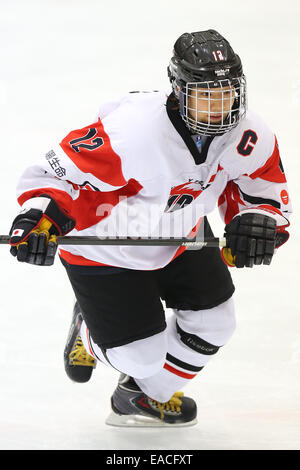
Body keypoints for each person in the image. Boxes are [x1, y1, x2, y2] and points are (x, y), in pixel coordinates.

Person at [9, 29, 291, 427]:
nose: (220, 106)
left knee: (216, 323)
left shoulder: (249, 134)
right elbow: (57, 175)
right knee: (138, 355)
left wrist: (256, 223)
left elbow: (263, 190)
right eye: (207, 95)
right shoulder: (133, 133)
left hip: (181, 235)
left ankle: (140, 398)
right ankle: (88, 328)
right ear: (179, 90)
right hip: (106, 248)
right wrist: (40, 217)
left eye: (227, 92)